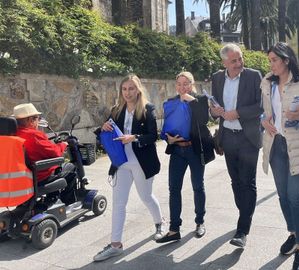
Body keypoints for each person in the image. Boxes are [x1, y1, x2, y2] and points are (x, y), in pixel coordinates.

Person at [260, 42, 299, 270]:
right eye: (270, 61)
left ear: (286, 60)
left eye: (274, 60)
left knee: (295, 196)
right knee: (283, 196)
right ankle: (293, 232)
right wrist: (263, 120)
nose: (271, 65)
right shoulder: (268, 83)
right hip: (276, 144)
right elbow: (264, 110)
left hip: (298, 144)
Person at [93, 74, 166, 262]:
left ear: (138, 89)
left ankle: (160, 223)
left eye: (131, 88)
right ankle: (115, 244)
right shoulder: (116, 110)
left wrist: (133, 137)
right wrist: (103, 127)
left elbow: (153, 135)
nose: (127, 92)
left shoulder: (147, 109)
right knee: (119, 203)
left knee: (146, 197)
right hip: (121, 162)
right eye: (124, 89)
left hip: (142, 162)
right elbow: (104, 133)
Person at [210, 43, 263, 248]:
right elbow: (214, 107)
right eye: (234, 61)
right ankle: (245, 213)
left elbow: (260, 105)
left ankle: (242, 229)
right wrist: (213, 111)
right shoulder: (217, 77)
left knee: (247, 181)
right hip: (228, 137)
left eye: (240, 59)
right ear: (224, 62)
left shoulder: (253, 76)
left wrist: (238, 112)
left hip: (248, 137)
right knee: (235, 181)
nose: (239, 63)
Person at [157, 71, 214, 243]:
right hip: (177, 151)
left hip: (195, 150)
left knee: (198, 186)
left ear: (192, 84)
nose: (182, 87)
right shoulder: (172, 102)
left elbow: (204, 119)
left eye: (186, 83)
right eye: (179, 84)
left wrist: (192, 101)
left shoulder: (200, 100)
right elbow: (165, 127)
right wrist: (167, 138)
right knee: (174, 189)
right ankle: (174, 229)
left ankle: (200, 222)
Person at [13, 103, 76, 204]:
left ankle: (52, 197)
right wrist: (63, 144)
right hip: (39, 176)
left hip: (22, 177)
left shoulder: (13, 134)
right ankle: (68, 202)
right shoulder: (33, 135)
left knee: (61, 167)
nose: (38, 121)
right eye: (38, 118)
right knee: (71, 170)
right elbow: (56, 154)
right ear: (30, 120)